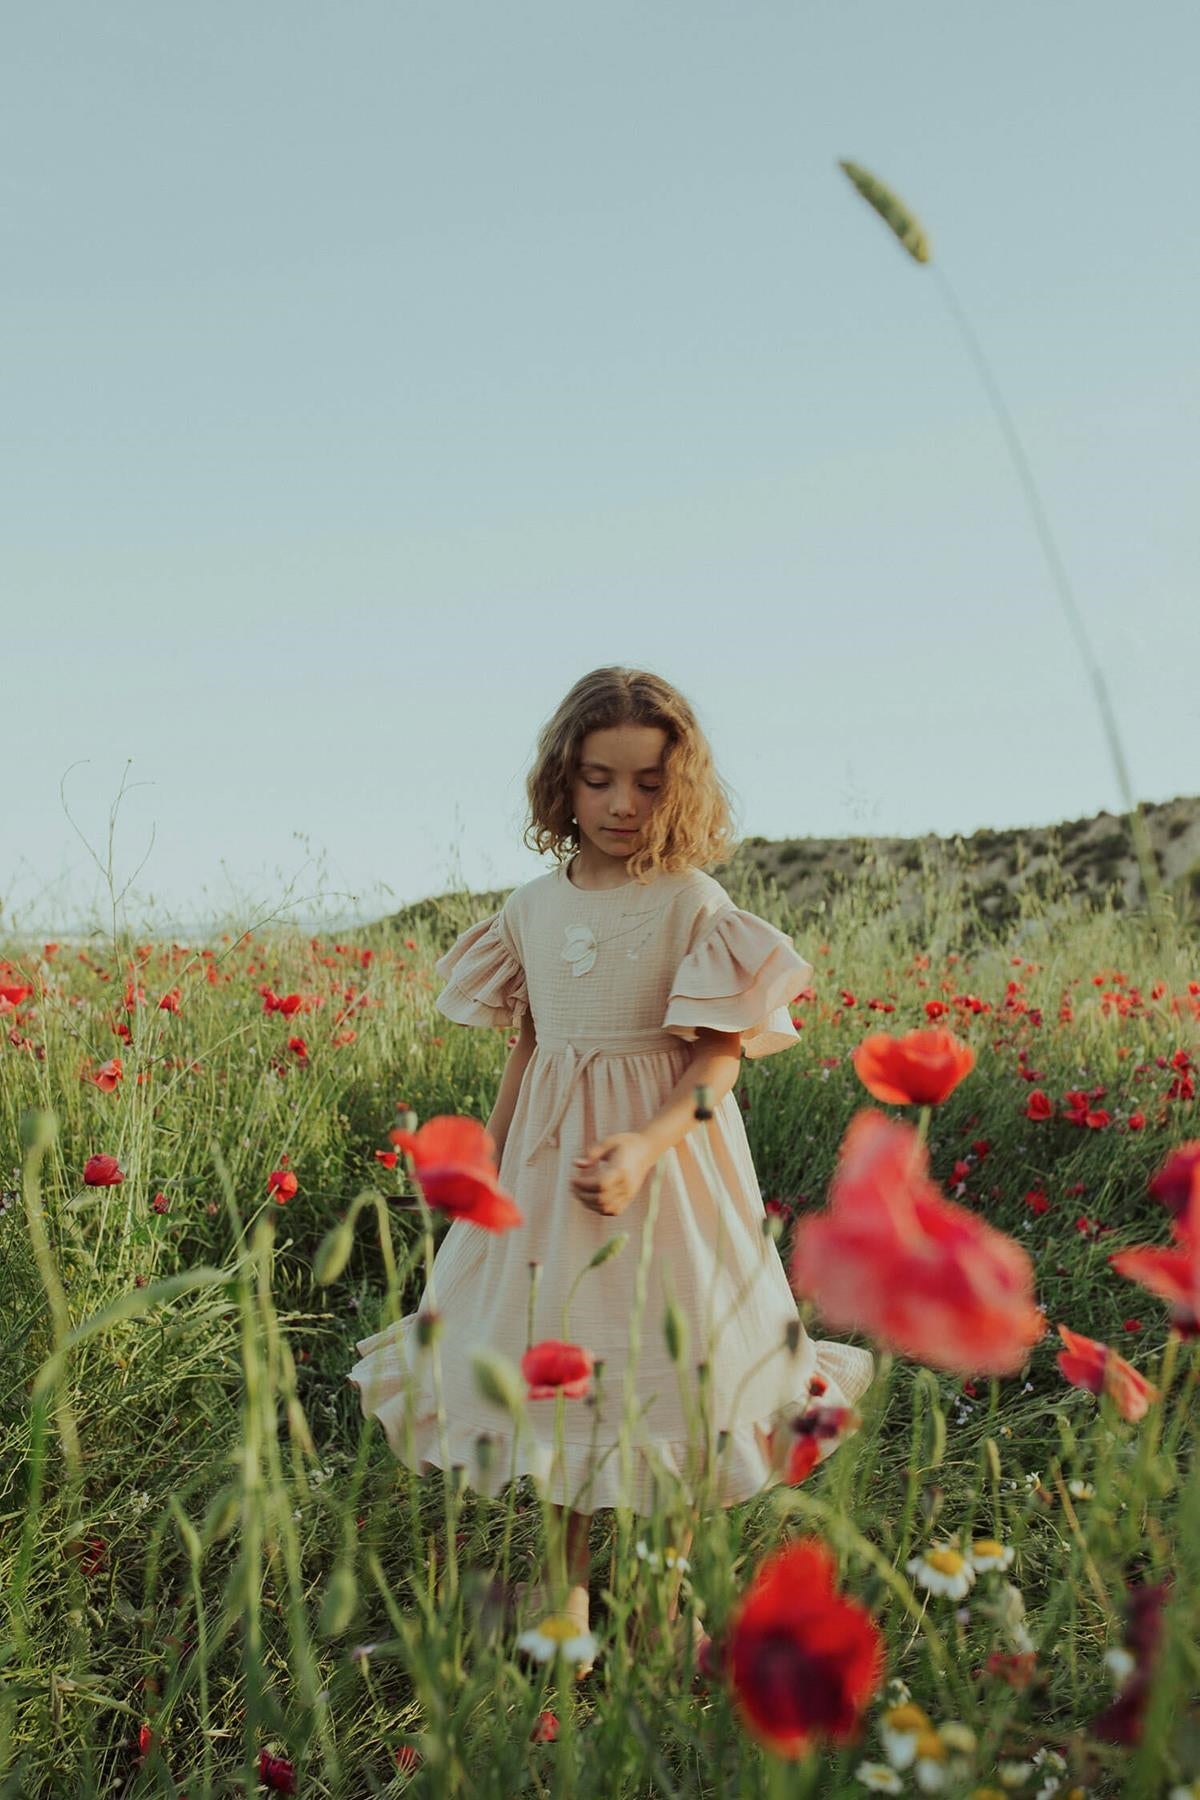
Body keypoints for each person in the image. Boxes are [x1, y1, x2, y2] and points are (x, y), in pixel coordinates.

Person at [349, 666, 874, 1665]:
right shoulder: (531, 910)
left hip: (668, 1172)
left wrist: (649, 1142)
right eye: (598, 781)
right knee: (558, 1371)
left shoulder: (692, 902)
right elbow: (531, 1045)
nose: (622, 805)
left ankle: (670, 1602)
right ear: (563, 783)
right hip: (551, 1177)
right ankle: (567, 1601)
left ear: (680, 788)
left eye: (646, 783)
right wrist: (491, 1163)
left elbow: (719, 1052)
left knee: (675, 1371)